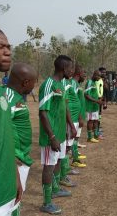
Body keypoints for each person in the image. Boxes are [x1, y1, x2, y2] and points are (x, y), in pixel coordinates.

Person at [39, 55, 76, 214]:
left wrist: (70, 126)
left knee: (56, 162)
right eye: (70, 68)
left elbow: (65, 107)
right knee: (48, 166)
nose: (72, 71)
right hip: (50, 136)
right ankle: (46, 202)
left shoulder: (62, 84)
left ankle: (55, 188)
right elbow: (43, 113)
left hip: (61, 132)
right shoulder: (48, 84)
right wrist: (52, 137)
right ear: (63, 68)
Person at [0, 26, 22, 216]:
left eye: (9, 47)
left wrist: (15, 176)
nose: (8, 52)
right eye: (0, 46)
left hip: (7, 191)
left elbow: (5, 138)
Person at [5, 63, 37, 216]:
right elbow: (1, 128)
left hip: (21, 157)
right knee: (11, 201)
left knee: (16, 200)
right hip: (15, 159)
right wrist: (13, 156)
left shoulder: (16, 98)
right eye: (33, 82)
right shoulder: (8, 98)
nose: (33, 86)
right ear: (25, 83)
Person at [85, 70, 103, 143]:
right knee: (90, 121)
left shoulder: (94, 83)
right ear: (94, 75)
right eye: (99, 76)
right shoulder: (89, 82)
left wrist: (99, 100)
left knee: (96, 120)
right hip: (90, 107)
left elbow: (93, 94)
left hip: (95, 106)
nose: (99, 78)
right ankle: (89, 138)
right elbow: (86, 95)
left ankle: (96, 135)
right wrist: (96, 101)